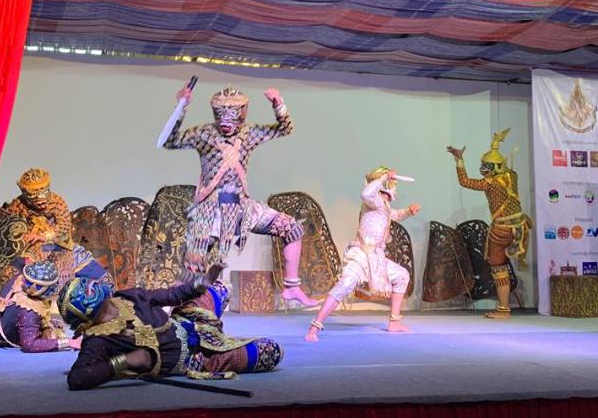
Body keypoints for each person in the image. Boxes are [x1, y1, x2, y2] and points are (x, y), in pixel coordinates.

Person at [161, 82, 317, 307]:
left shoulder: (249, 133)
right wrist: (181, 107)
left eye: (232, 118)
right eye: (222, 118)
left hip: (243, 207)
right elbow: (168, 141)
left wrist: (278, 104)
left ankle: (292, 286)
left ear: (242, 115)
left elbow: (285, 128)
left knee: (292, 228)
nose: (226, 125)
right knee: (193, 268)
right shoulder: (204, 134)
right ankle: (170, 307)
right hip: (210, 212)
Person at [59, 264, 283, 390]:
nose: (92, 283)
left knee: (220, 287)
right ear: (88, 313)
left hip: (189, 321)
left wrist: (200, 284)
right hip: (196, 359)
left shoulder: (125, 297)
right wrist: (124, 361)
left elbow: (170, 295)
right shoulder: (98, 340)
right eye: (87, 288)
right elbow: (77, 379)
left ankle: (211, 314)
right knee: (271, 352)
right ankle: (226, 349)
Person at [305, 167, 420, 342]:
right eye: (391, 185)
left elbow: (396, 215)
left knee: (402, 275)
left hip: (377, 258)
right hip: (361, 253)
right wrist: (383, 177)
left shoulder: (385, 207)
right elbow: (366, 193)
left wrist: (409, 212)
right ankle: (314, 327)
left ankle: (394, 322)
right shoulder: (372, 201)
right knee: (346, 284)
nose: (393, 190)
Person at [447, 129, 531, 319]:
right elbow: (507, 169)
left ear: (495, 167)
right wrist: (495, 146)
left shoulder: (490, 184)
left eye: (487, 166)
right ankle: (504, 306)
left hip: (502, 230)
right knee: (501, 266)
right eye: (483, 165)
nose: (483, 168)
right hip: (519, 225)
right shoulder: (512, 177)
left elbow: (464, 181)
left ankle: (503, 309)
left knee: (498, 268)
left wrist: (459, 159)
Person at [0, 259, 80, 353]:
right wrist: (68, 342)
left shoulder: (21, 278)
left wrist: (45, 325)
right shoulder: (29, 309)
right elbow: (30, 344)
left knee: (53, 326)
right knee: (54, 333)